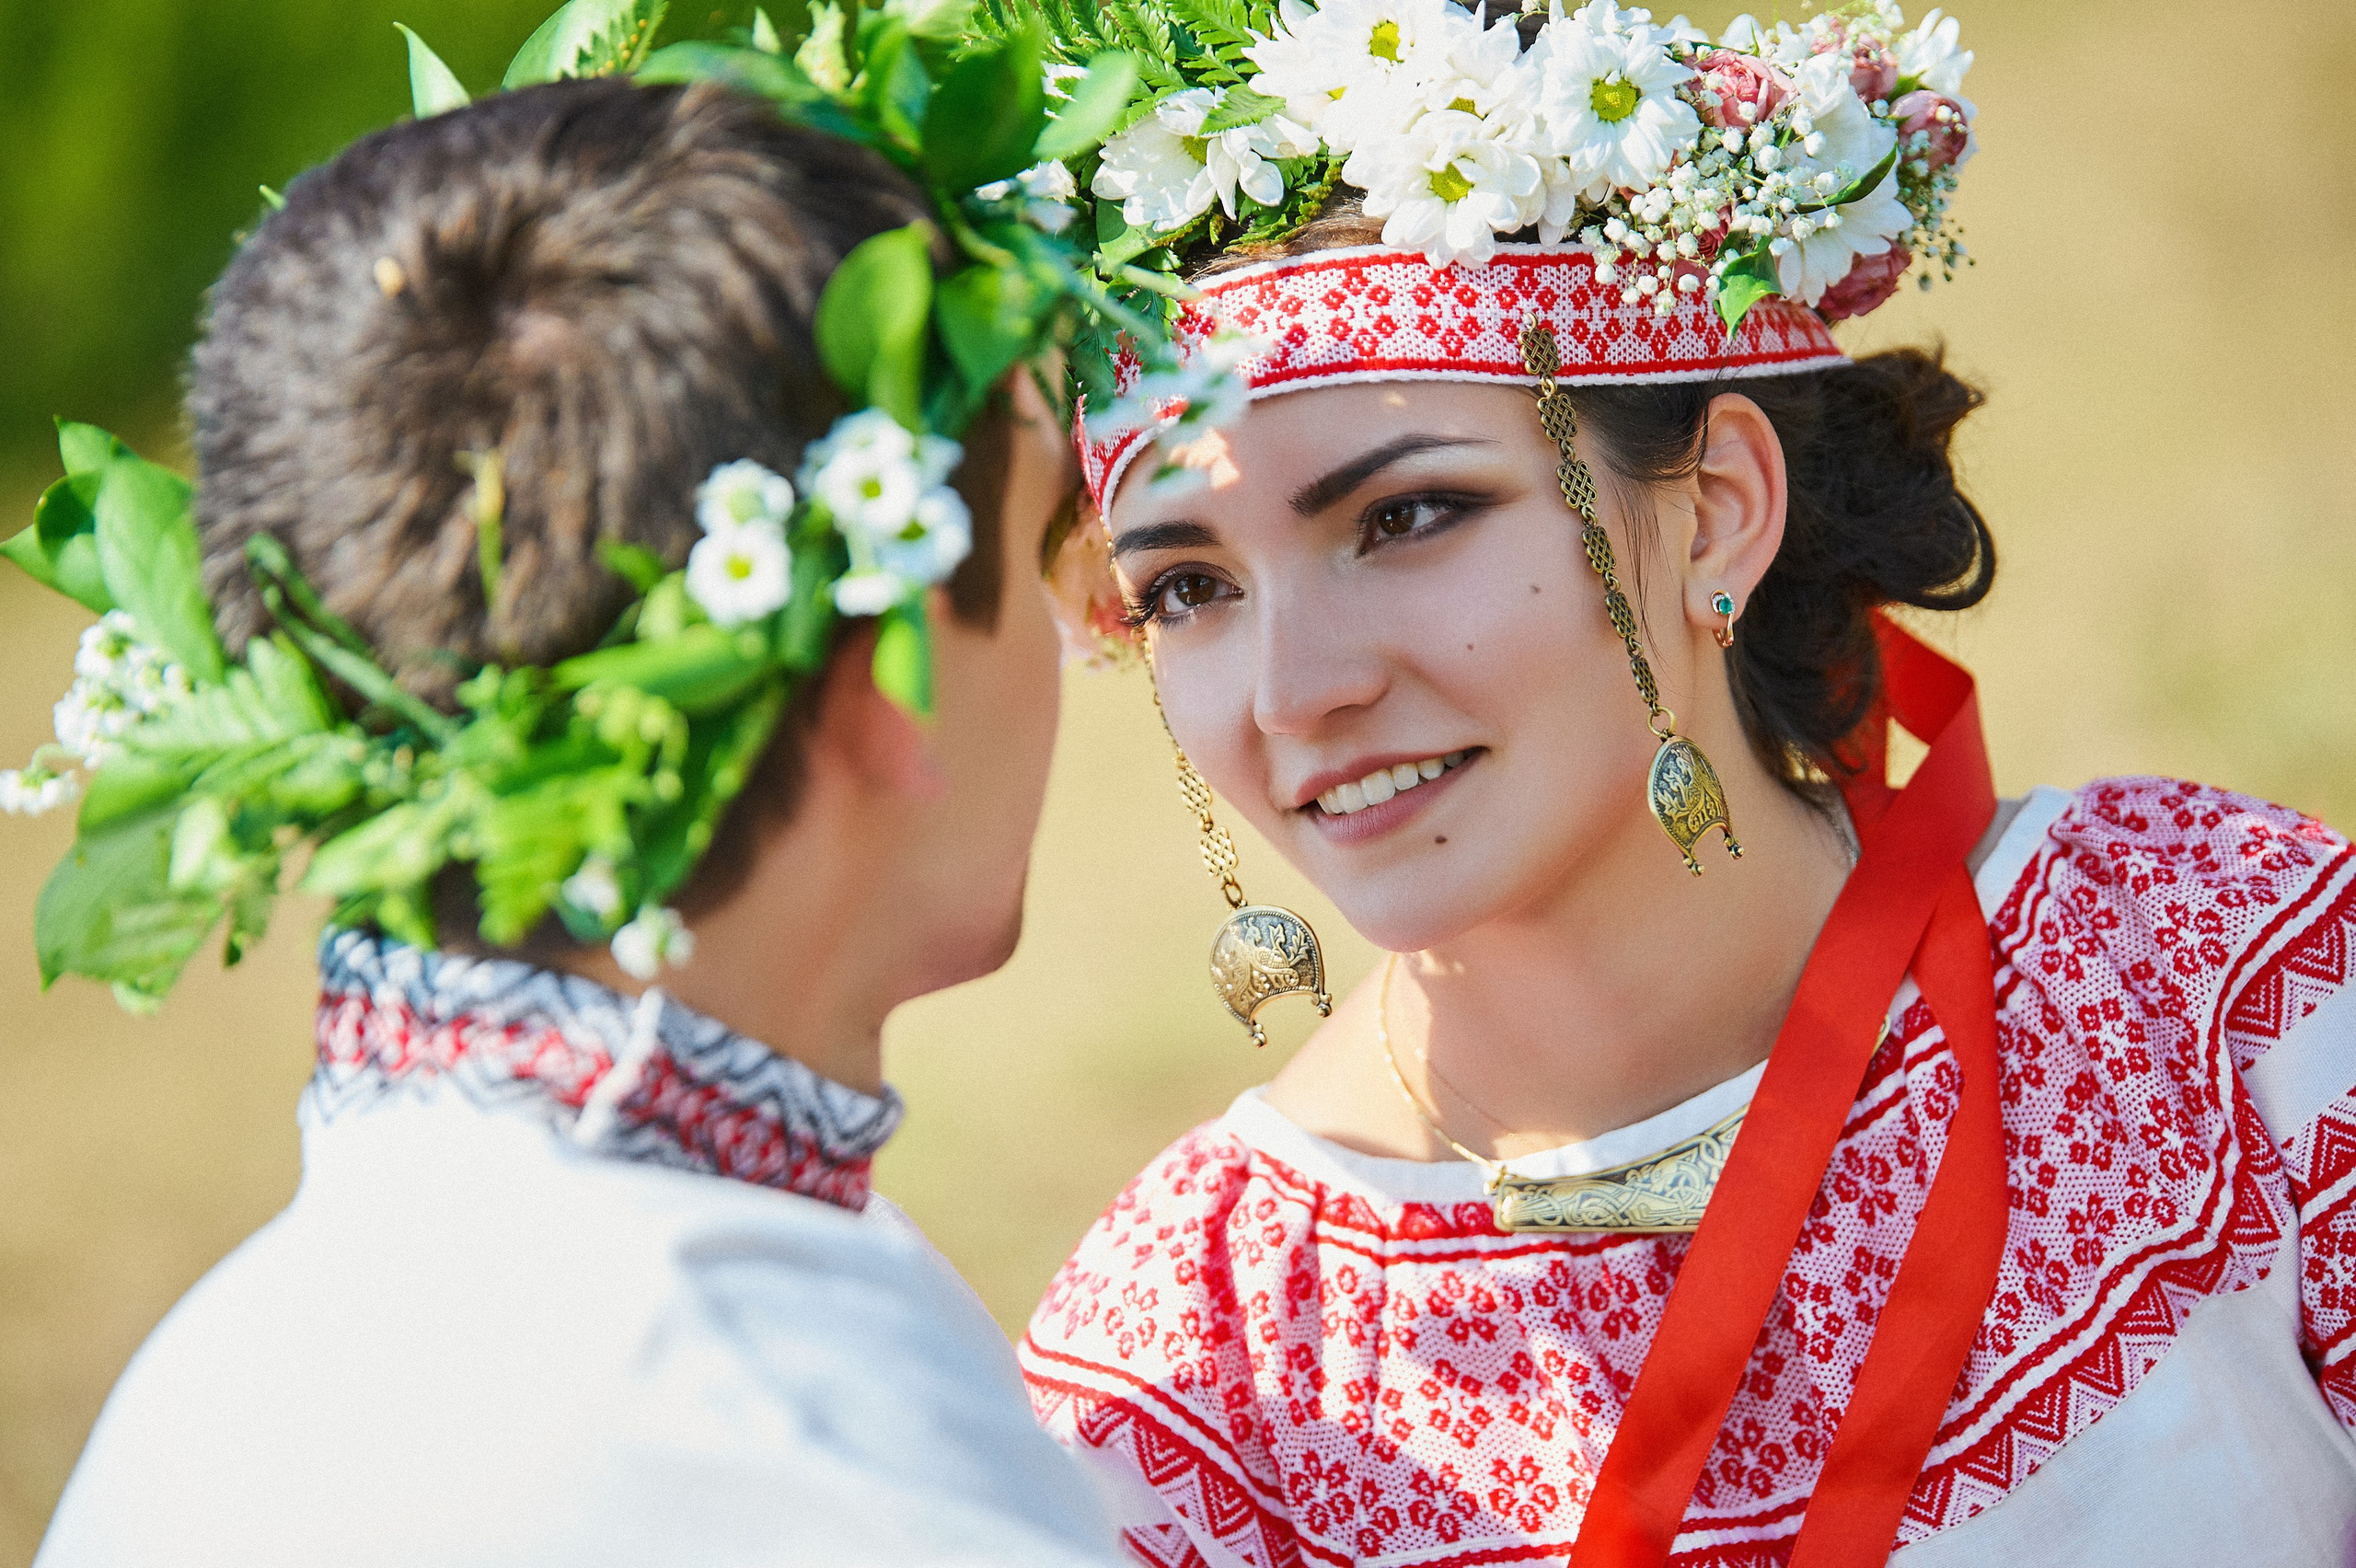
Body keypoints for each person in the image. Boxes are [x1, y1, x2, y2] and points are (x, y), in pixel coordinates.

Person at [1014, 1, 2356, 1563]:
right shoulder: (1185, 1389)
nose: (1296, 689)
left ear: (1716, 509)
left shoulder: (2208, 972)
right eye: (1187, 589)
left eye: (1408, 519)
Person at [19, 64, 1128, 1568]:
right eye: (1043, 529)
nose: (1097, 622)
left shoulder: (261, 1348)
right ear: (894, 676)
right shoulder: (797, 1462)